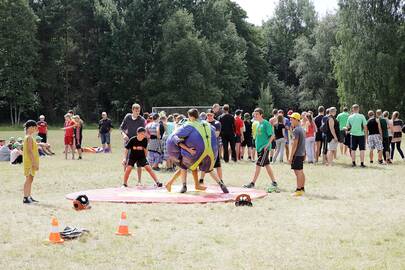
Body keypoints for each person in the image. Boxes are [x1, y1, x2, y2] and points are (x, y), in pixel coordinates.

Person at [165, 109, 228, 193]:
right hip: (211, 151)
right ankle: (220, 184)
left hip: (195, 151)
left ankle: (183, 185)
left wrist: (187, 149)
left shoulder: (189, 125)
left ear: (190, 117)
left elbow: (174, 137)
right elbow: (214, 132)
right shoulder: (206, 124)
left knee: (184, 165)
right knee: (207, 168)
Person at [243, 108, 279, 192]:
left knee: (258, 165)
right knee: (267, 165)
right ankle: (274, 182)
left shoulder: (266, 123)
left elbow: (272, 135)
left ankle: (252, 183)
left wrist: (267, 144)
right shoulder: (258, 124)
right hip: (259, 148)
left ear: (261, 114)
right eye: (254, 114)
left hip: (264, 148)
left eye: (256, 114)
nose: (255, 116)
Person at [200, 109, 225, 186]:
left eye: (210, 115)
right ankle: (201, 180)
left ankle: (221, 180)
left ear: (214, 115)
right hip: (205, 147)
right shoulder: (203, 123)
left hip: (214, 147)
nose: (209, 116)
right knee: (204, 164)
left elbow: (216, 134)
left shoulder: (217, 123)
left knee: (217, 165)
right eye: (208, 115)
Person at [120, 103, 146, 176]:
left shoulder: (142, 120)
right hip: (128, 141)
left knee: (139, 161)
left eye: (139, 111)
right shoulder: (127, 117)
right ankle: (124, 178)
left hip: (137, 142)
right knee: (126, 158)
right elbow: (121, 128)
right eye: (136, 111)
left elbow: (143, 132)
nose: (137, 113)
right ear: (132, 110)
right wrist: (124, 135)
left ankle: (139, 181)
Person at [289, 113, 306, 197]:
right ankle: (302, 188)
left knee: (298, 172)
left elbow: (294, 145)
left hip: (297, 154)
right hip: (301, 153)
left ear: (296, 119)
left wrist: (291, 156)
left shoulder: (296, 130)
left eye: (292, 119)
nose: (290, 121)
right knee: (301, 172)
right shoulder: (302, 129)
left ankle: (298, 190)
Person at [22, 120, 40, 204]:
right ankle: (25, 198)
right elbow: (29, 151)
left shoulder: (29, 137)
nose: (35, 129)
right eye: (34, 127)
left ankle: (29, 196)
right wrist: (34, 163)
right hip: (29, 162)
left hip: (30, 161)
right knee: (28, 179)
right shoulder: (28, 137)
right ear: (30, 127)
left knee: (30, 179)